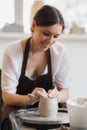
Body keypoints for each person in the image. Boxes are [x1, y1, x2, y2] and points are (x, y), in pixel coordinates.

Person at [1, 5, 71, 129]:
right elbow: (7, 97)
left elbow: (65, 91)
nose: (50, 41)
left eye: (56, 36)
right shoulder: (12, 52)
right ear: (33, 25)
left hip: (49, 111)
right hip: (18, 106)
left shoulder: (60, 52)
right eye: (46, 33)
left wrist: (57, 95)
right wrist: (30, 99)